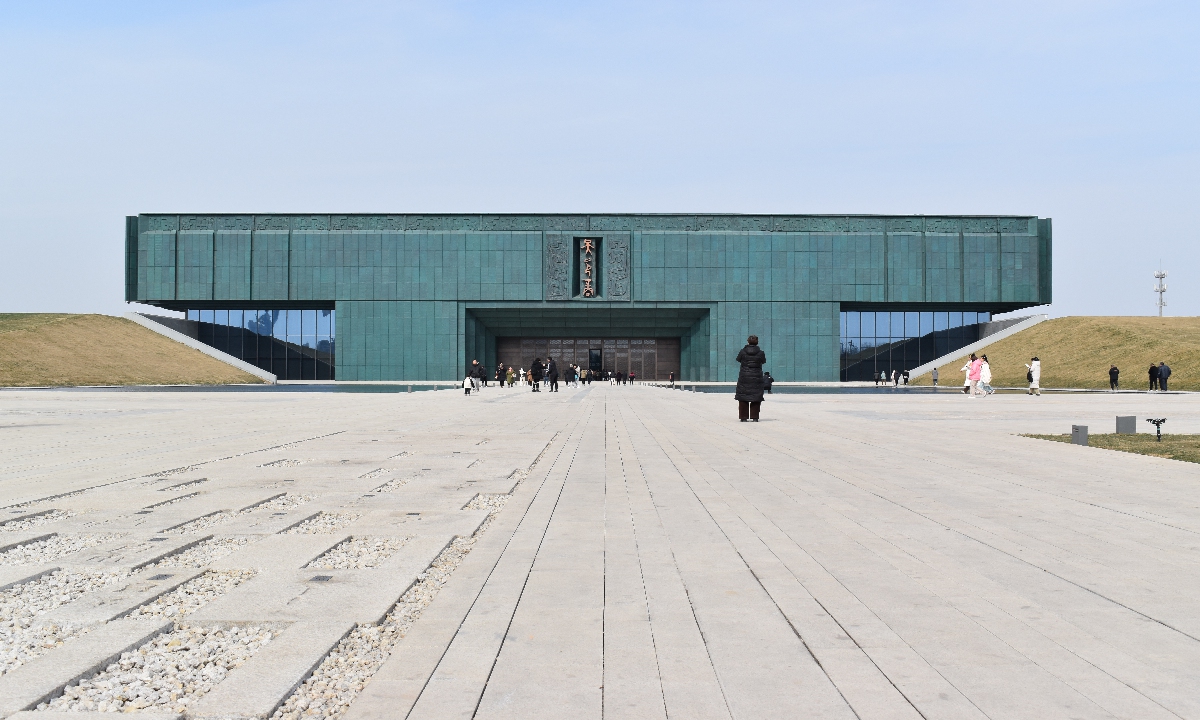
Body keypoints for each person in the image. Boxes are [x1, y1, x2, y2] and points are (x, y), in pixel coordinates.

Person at [735, 335, 766, 422]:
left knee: (743, 396)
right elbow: (763, 361)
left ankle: (743, 417)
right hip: (757, 377)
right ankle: (754, 417)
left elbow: (738, 359)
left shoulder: (742, 352)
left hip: (744, 376)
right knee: (756, 397)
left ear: (748, 341)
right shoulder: (761, 353)